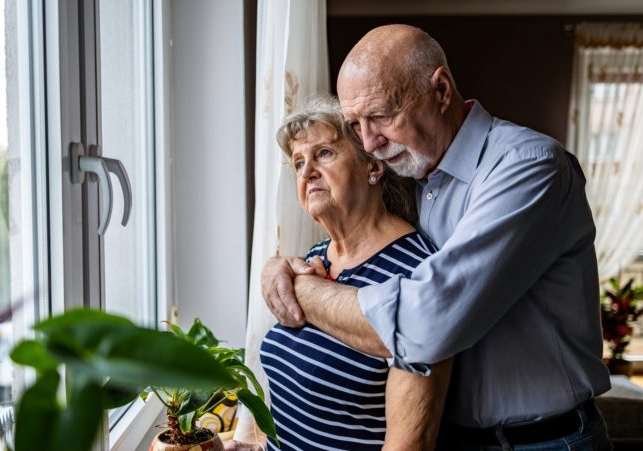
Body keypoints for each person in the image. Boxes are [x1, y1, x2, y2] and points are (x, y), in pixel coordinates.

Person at [261, 24, 613, 450]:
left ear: (441, 91)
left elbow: (425, 324)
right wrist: (276, 265)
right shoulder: (415, 172)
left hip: (543, 442)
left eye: (381, 116)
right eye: (355, 125)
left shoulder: (527, 167)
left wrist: (300, 289)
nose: (370, 143)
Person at [226, 96, 453, 451]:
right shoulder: (315, 259)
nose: (306, 172)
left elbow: (410, 444)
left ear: (373, 167)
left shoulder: (417, 273)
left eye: (324, 154)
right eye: (298, 162)